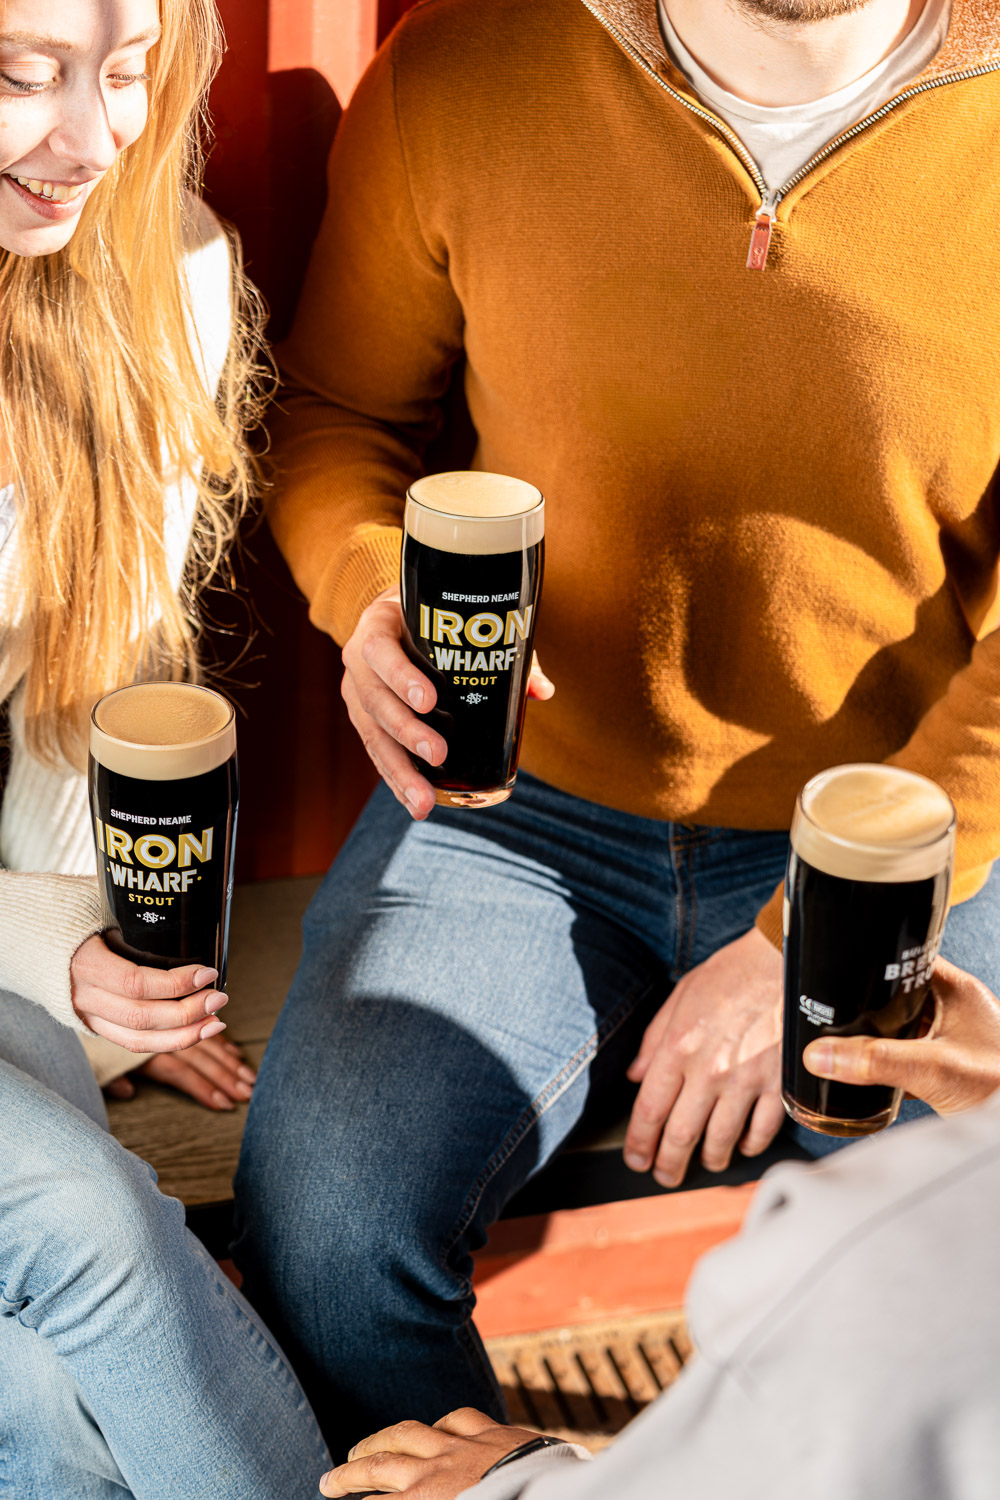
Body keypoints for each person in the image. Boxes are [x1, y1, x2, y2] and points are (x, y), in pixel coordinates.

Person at [234, 0, 1000, 1456]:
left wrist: (792, 937)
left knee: (965, 1261)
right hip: (517, 817)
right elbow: (335, 414)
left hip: (899, 826)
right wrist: (366, 591)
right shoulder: (466, 71)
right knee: (327, 1228)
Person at [0, 0, 331, 1493]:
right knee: (81, 1234)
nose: (93, 139)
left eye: (127, 76)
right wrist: (41, 946)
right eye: (23, 75)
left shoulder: (167, 273)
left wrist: (107, 973)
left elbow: (92, 695)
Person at [316, 959, 1000, 1498]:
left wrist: (515, 1485)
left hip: (905, 878)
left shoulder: (865, 1268)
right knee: (337, 1230)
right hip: (540, 823)